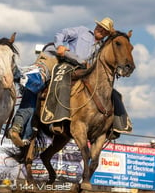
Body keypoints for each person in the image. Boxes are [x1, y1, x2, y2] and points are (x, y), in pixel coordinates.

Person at [8, 17, 116, 147]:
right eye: (100, 27)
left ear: (107, 34)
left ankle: (31, 130)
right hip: (58, 60)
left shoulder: (101, 48)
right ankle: (15, 76)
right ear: (96, 26)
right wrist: (60, 45)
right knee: (36, 81)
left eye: (105, 30)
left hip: (78, 71)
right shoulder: (82, 31)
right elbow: (61, 33)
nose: (101, 30)